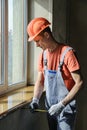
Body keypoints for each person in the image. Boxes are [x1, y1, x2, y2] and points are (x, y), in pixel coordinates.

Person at [27, 17, 83, 130]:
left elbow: (80, 82)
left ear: (47, 35)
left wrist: (62, 104)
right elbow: (40, 80)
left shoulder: (67, 53)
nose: (37, 45)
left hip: (66, 109)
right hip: (50, 109)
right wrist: (35, 100)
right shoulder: (43, 55)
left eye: (37, 40)